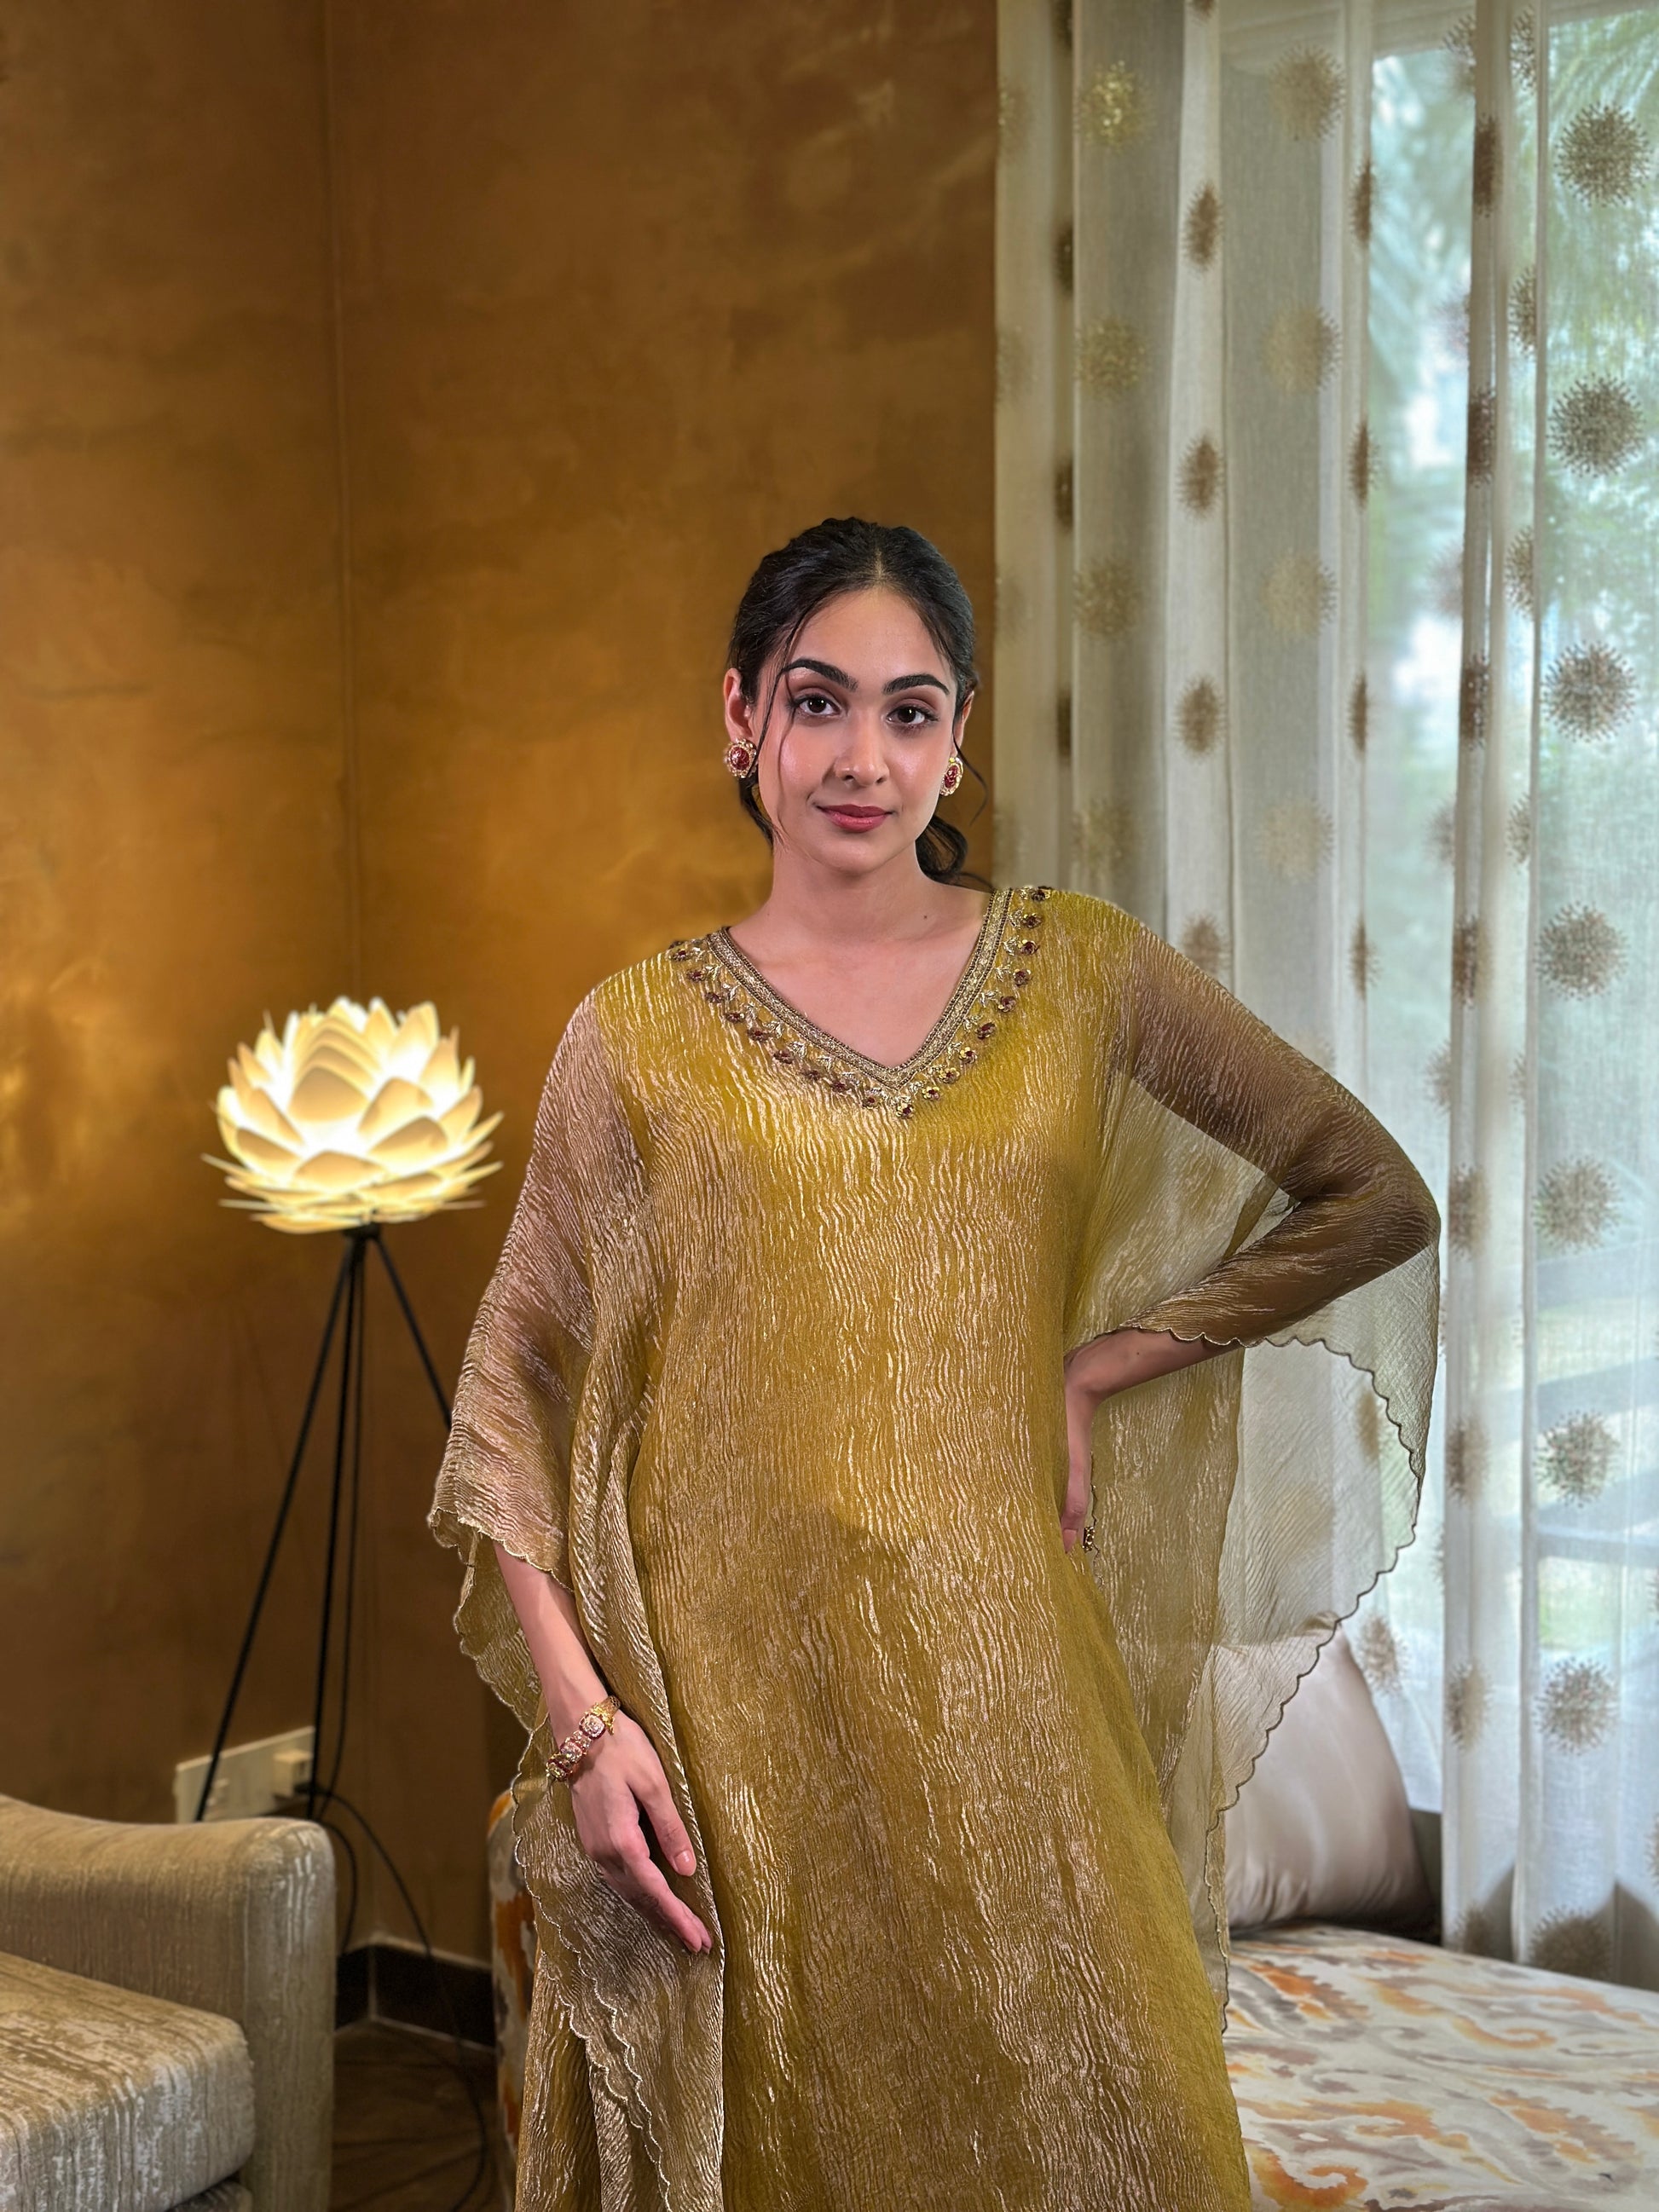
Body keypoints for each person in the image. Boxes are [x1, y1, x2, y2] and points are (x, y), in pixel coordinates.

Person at [430, 517, 1440, 2212]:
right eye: (817, 701)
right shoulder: (636, 1039)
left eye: (909, 712)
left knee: (1105, 2128)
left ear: (958, 737)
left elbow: (1369, 1193)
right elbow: (512, 1398)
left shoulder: (1080, 974)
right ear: (740, 717)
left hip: (1009, 1684)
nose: (862, 758)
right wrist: (589, 1729)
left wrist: (1096, 1364)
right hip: (733, 1708)